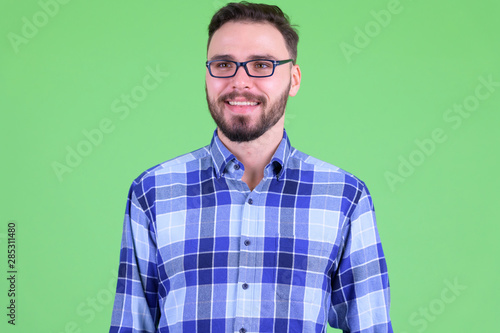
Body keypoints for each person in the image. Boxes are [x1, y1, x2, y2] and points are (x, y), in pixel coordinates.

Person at [109, 2, 392, 332]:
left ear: (294, 79)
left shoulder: (346, 197)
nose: (240, 82)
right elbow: (131, 325)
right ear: (207, 74)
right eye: (224, 64)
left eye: (261, 65)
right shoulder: (152, 192)